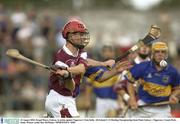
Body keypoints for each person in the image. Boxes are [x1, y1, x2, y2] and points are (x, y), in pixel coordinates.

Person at [45, 19, 130, 118]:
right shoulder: (61, 59)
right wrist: (67, 75)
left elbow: (100, 77)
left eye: (83, 34)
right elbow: (70, 87)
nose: (82, 37)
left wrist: (114, 70)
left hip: (68, 100)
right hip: (60, 100)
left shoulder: (80, 52)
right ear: (69, 36)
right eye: (79, 34)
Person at [124, 41, 180, 118]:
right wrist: (132, 98)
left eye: (163, 52)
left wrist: (173, 95)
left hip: (162, 110)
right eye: (157, 52)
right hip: (143, 106)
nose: (160, 54)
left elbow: (177, 88)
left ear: (166, 55)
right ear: (152, 54)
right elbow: (129, 81)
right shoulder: (141, 67)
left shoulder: (172, 71)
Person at [84, 45, 127, 118]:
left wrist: (121, 101)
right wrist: (87, 100)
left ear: (113, 53)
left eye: (110, 51)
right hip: (101, 101)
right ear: (101, 53)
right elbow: (89, 85)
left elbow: (121, 86)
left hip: (115, 101)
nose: (107, 53)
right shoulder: (96, 67)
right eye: (105, 51)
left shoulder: (118, 67)